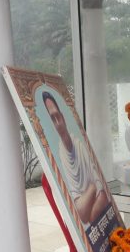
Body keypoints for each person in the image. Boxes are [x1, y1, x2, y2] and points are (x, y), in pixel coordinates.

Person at [42, 91, 109, 225]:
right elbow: (81, 214)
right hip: (85, 199)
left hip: (95, 199)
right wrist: (91, 189)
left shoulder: (79, 145)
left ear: (63, 117)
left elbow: (101, 194)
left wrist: (91, 193)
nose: (58, 123)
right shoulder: (61, 154)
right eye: (52, 119)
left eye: (57, 116)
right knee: (81, 211)